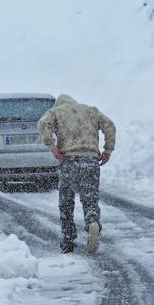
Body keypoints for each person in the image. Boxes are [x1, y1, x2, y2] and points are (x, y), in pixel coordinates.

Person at [38, 94, 116, 254]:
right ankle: (92, 221)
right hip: (91, 161)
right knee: (90, 198)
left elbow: (43, 124)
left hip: (69, 161)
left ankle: (68, 239)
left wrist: (52, 147)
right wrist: (108, 149)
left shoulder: (56, 112)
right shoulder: (90, 111)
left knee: (66, 202)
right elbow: (109, 125)